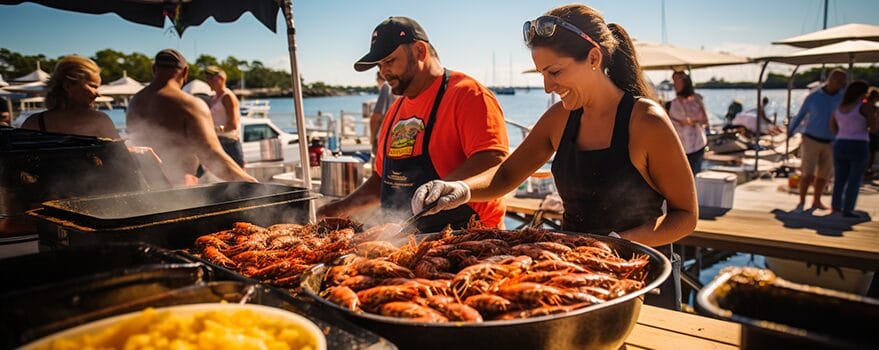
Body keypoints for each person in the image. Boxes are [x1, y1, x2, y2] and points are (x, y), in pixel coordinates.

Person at [411, 4, 697, 310]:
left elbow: (686, 217)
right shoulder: (560, 118)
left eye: (555, 72)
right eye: (542, 74)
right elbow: (507, 175)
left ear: (594, 58)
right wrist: (460, 188)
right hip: (573, 278)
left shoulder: (646, 121)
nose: (548, 86)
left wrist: (618, 241)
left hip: (641, 283)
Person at [316, 16, 509, 232]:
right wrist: (340, 208)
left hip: (472, 235)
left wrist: (440, 190)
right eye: (379, 65)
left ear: (419, 51)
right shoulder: (395, 111)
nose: (383, 72)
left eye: (389, 61)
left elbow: (494, 160)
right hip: (407, 237)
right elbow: (382, 179)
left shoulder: (468, 94)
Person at [126, 49, 256, 186]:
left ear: (154, 69)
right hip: (178, 188)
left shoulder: (135, 102)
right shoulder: (189, 105)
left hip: (145, 187)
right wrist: (251, 182)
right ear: (185, 72)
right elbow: (211, 156)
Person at [788, 69, 847, 211]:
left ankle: (817, 200)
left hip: (831, 141)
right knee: (807, 173)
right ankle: (802, 201)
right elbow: (800, 114)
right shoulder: (813, 96)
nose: (839, 83)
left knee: (823, 175)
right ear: (829, 79)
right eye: (836, 80)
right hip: (811, 140)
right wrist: (790, 131)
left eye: (841, 81)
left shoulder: (842, 98)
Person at [20, 55, 119, 139]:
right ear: (68, 85)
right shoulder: (99, 120)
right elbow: (122, 158)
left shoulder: (34, 123)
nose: (98, 94)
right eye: (93, 86)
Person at [829, 81, 877, 217]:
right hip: (858, 144)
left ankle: (836, 206)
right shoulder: (864, 107)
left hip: (840, 143)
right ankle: (848, 209)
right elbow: (873, 129)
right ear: (863, 93)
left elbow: (833, 128)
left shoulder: (839, 107)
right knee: (854, 179)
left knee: (839, 178)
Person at [666, 71, 708, 175]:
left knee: (693, 176)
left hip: (697, 145)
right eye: (674, 80)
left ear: (686, 81)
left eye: (678, 80)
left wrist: (691, 121)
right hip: (680, 148)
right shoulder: (671, 104)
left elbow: (705, 119)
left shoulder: (697, 99)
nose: (675, 83)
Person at [204, 65, 244, 167]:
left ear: (220, 79)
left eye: (210, 78)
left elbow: (233, 125)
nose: (207, 81)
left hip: (229, 143)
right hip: (219, 142)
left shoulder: (227, 97)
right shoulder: (214, 98)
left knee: (236, 180)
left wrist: (213, 130)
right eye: (206, 78)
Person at [866, 87, 879, 180]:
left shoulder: (863, 105)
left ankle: (867, 170)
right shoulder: (874, 108)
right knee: (872, 152)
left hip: (867, 132)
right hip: (872, 132)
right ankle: (867, 170)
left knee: (870, 152)